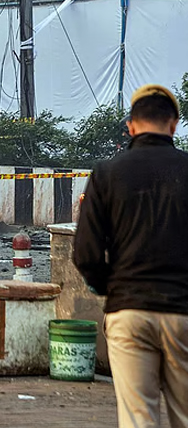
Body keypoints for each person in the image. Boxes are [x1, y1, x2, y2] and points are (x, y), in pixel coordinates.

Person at [73, 84, 188, 428]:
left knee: (139, 419)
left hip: (128, 311)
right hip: (183, 312)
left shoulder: (107, 173)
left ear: (131, 127)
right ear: (173, 125)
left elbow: (86, 253)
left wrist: (112, 287)